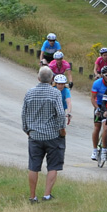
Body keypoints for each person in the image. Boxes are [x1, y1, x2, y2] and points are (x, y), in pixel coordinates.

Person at [22, 66, 67, 203]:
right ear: (52, 79)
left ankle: (32, 196)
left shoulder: (29, 93)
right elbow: (60, 113)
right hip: (52, 135)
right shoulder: (55, 94)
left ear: (38, 78)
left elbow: (24, 114)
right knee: (53, 165)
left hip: (35, 135)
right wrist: (62, 129)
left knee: (33, 166)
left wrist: (27, 130)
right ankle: (47, 194)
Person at [89, 68, 107, 160]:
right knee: (97, 127)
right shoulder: (97, 83)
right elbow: (92, 98)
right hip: (99, 105)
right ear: (102, 75)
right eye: (106, 75)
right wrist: (97, 108)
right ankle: (95, 150)